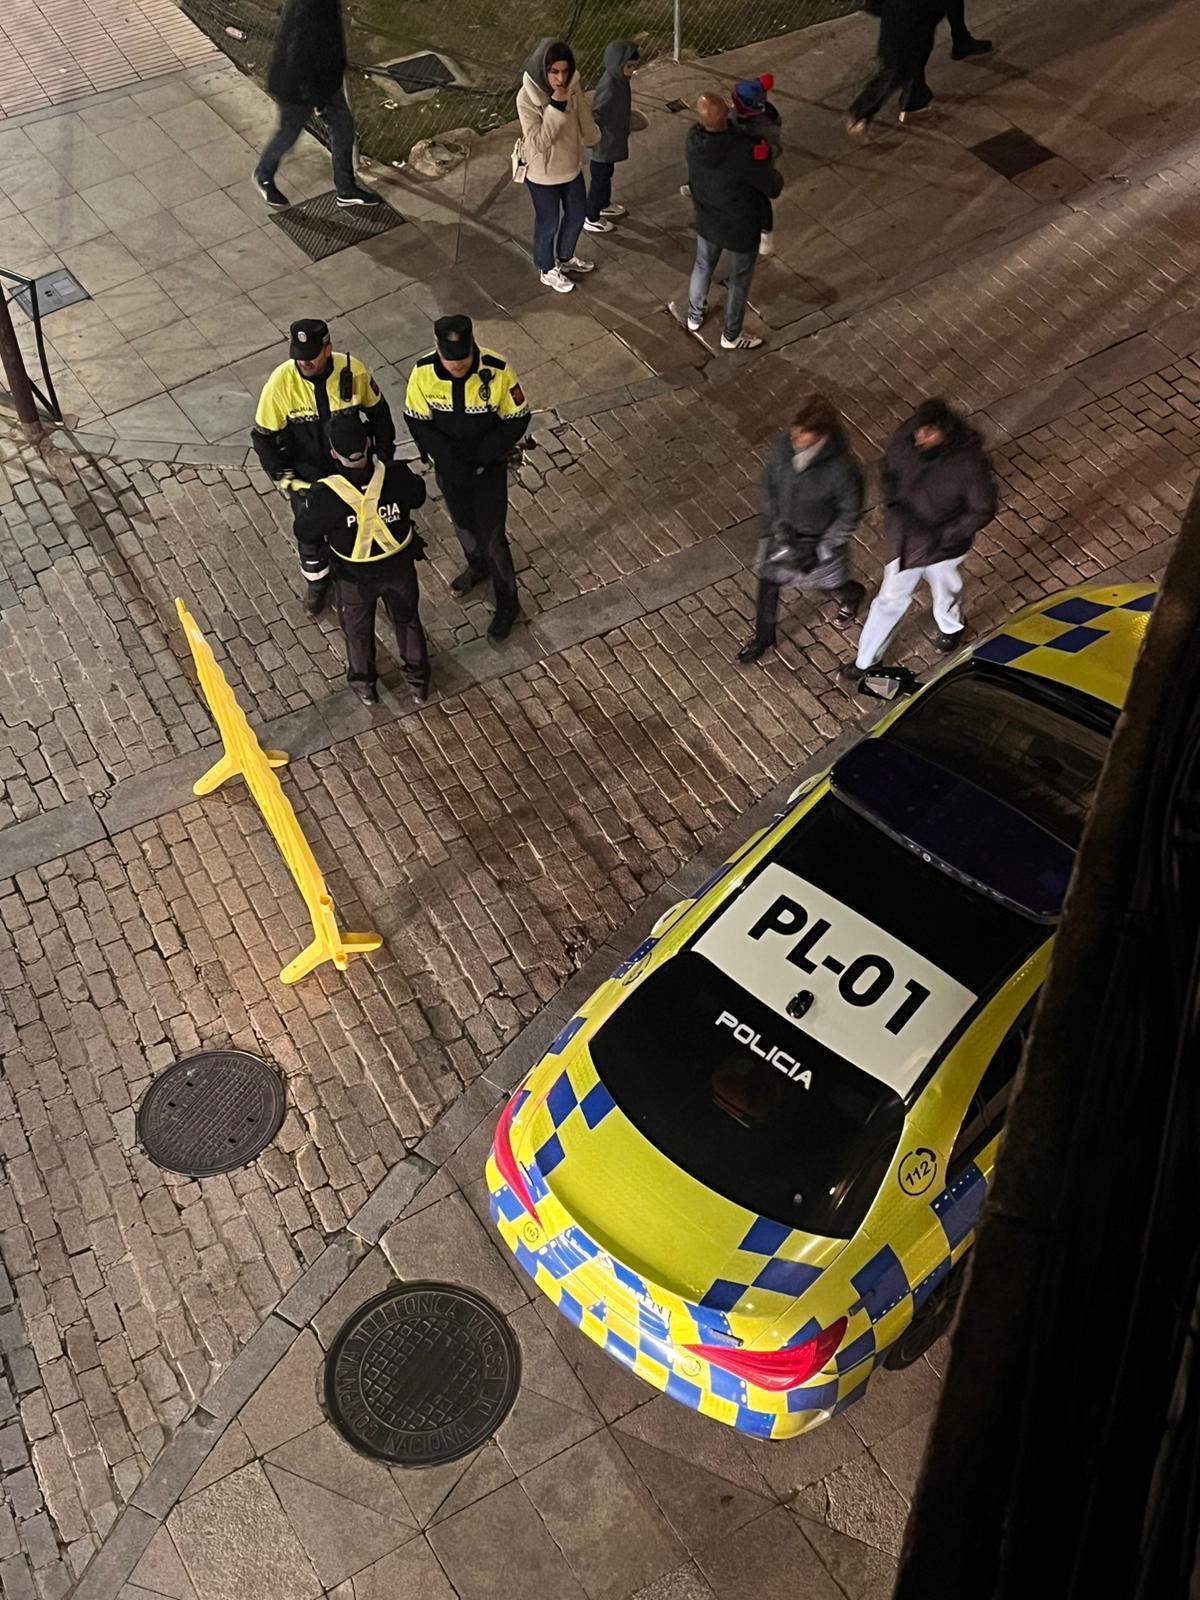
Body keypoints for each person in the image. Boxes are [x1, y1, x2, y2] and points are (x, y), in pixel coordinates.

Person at [841, 397, 997, 677]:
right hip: (907, 540)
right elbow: (889, 464)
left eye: (929, 432)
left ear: (945, 432)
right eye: (920, 430)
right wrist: (890, 490)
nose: (920, 437)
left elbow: (982, 508)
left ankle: (951, 626)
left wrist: (947, 536)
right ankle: (866, 660)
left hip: (944, 548)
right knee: (890, 598)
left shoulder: (968, 463)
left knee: (947, 589)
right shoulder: (907, 437)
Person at [251, 318, 396, 614]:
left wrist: (385, 455)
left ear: (327, 349)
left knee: (363, 525)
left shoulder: (352, 370)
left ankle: (374, 577)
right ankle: (318, 583)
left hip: (352, 471)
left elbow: (379, 414)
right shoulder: (281, 383)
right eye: (298, 355)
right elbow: (263, 437)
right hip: (309, 477)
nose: (303, 361)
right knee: (310, 534)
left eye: (310, 355)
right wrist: (285, 479)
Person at [403, 315, 530, 641]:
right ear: (438, 351)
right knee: (463, 526)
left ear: (472, 348)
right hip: (450, 471)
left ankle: (508, 602)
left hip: (489, 470)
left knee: (493, 538)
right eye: (450, 358)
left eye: (462, 358)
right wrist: (447, 455)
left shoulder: (498, 370)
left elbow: (517, 418)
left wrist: (483, 454)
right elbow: (416, 420)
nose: (457, 365)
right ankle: (477, 568)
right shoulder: (423, 374)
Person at [296, 412, 430, 706]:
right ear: (369, 443)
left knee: (357, 633)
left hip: (355, 580)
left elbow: (304, 530)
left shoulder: (324, 496)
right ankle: (419, 680)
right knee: (407, 621)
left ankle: (365, 685)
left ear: (333, 453)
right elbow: (418, 496)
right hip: (399, 570)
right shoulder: (396, 475)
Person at [739, 396, 865, 664]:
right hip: (782, 534)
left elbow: (849, 514)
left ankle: (851, 595)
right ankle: (764, 638)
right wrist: (774, 521)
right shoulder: (786, 445)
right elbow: (770, 480)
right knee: (768, 581)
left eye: (802, 435)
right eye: (795, 431)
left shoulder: (842, 470)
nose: (795, 437)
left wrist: (822, 547)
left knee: (828, 583)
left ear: (821, 436)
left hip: (817, 543)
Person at [677, 93, 782, 351]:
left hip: (707, 220)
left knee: (703, 266)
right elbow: (772, 186)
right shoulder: (741, 154)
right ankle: (732, 334)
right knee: (739, 279)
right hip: (740, 227)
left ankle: (694, 315)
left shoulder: (693, 140)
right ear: (726, 116)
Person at [253, 0, 378, 208]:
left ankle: (345, 188)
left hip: (322, 81)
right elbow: (299, 50)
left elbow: (326, 41)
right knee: (289, 132)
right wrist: (315, 97)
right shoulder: (309, 6)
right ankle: (263, 174)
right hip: (299, 85)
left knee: (343, 126)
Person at [516, 39, 599, 293]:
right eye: (554, 71)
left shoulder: (572, 85)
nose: (560, 78)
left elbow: (584, 114)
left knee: (576, 215)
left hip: (570, 166)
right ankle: (546, 267)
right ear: (544, 70)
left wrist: (593, 138)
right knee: (548, 222)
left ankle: (565, 257)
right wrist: (556, 106)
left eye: (564, 70)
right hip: (542, 173)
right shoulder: (526, 98)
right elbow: (538, 142)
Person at [847, 0, 944, 133]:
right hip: (907, 18)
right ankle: (861, 112)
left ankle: (915, 102)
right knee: (897, 69)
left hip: (908, 17)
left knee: (910, 60)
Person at [583, 42, 639, 235]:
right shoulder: (610, 85)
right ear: (617, 65)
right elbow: (597, 112)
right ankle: (591, 216)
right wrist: (597, 135)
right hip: (604, 142)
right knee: (599, 179)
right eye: (629, 66)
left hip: (611, 140)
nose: (632, 71)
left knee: (606, 174)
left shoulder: (620, 81)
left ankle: (603, 204)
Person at [730, 75, 782, 256]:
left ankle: (766, 233)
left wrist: (766, 152)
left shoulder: (766, 122)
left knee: (760, 199)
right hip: (739, 163)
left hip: (757, 167)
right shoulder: (738, 115)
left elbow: (776, 147)